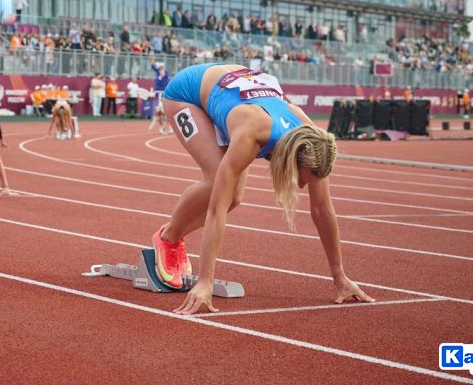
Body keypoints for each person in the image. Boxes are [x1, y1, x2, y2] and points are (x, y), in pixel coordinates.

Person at [155, 63, 373, 314]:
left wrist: (340, 278)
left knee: (235, 196)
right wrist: (206, 282)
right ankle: (168, 238)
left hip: (236, 90)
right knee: (219, 183)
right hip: (188, 93)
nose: (303, 186)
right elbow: (216, 210)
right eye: (302, 180)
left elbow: (322, 209)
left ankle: (172, 234)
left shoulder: (313, 141)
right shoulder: (252, 134)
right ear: (291, 160)